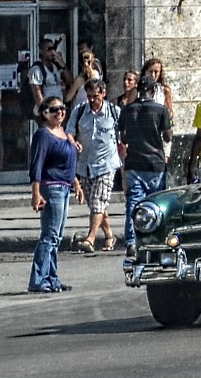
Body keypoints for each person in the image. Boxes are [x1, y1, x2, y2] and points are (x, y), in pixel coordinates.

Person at [27, 96, 80, 293]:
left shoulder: (63, 133)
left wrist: (76, 183)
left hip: (65, 187)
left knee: (56, 236)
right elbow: (37, 165)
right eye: (54, 109)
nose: (60, 112)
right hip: (52, 188)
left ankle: (52, 277)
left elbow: (68, 162)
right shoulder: (43, 134)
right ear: (44, 113)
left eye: (62, 109)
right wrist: (36, 192)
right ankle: (38, 279)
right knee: (49, 235)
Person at [69, 75, 123, 253]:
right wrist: (73, 142)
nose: (92, 100)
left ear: (104, 94)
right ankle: (109, 235)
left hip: (106, 164)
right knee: (95, 204)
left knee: (98, 201)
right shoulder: (79, 110)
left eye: (95, 96)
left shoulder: (114, 112)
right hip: (85, 165)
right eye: (89, 96)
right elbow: (69, 131)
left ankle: (90, 239)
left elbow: (124, 134)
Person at [118, 77, 172, 247]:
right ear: (153, 90)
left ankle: (132, 242)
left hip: (134, 160)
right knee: (157, 203)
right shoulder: (160, 110)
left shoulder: (127, 110)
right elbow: (168, 137)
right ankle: (156, 239)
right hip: (155, 162)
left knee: (134, 202)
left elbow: (124, 137)